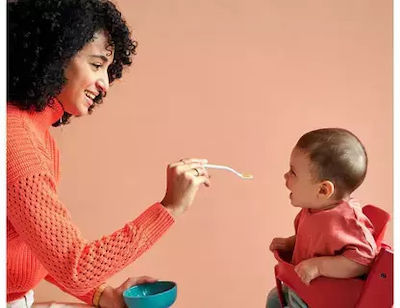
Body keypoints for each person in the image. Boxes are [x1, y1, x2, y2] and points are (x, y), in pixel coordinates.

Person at [7, 0, 211, 307]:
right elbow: (76, 268)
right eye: (96, 64)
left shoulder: (32, 132)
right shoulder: (18, 144)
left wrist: (103, 295)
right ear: (55, 54)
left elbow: (36, 249)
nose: (105, 84)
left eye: (107, 69)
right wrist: (170, 207)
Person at [266, 128, 377, 308]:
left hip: (324, 298)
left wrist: (319, 266)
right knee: (274, 299)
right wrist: (291, 243)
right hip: (303, 287)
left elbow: (363, 261)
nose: (285, 176)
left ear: (323, 190)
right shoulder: (313, 209)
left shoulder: (345, 221)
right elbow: (319, 241)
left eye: (293, 172)